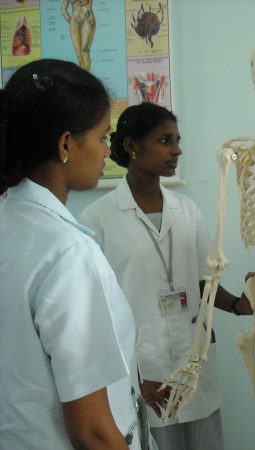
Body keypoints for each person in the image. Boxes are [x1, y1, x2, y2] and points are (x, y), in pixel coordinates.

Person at [78, 102, 255, 450]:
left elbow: (204, 281)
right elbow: (96, 311)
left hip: (194, 364)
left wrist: (239, 304)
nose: (177, 149)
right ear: (132, 146)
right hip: (143, 373)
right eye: (165, 140)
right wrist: (133, 378)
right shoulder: (97, 219)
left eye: (177, 140)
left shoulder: (186, 210)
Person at [0, 59, 143, 449]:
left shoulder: (10, 222)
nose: (106, 151)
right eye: (101, 138)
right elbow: (92, 432)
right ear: (66, 144)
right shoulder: (67, 254)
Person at [62, 0, 95, 71]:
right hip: (74, 22)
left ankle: (86, 79)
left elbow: (84, 2)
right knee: (79, 56)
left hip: (87, 20)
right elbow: (63, 10)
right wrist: (71, 22)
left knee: (85, 53)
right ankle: (83, 79)